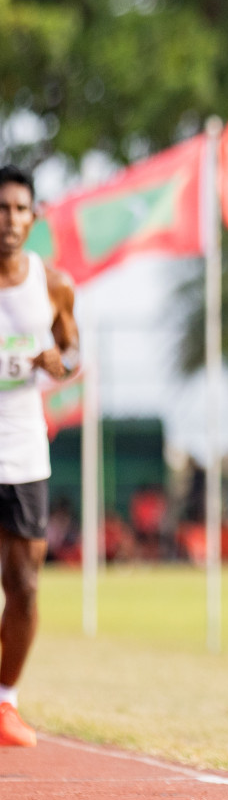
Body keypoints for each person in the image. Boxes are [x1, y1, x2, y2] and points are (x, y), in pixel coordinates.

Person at [0, 164, 79, 748]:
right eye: (1, 209)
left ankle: (5, 702)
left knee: (24, 585)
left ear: (34, 216)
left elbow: (71, 352)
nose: (9, 220)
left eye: (19, 210)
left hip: (24, 452)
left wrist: (59, 363)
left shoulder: (53, 284)